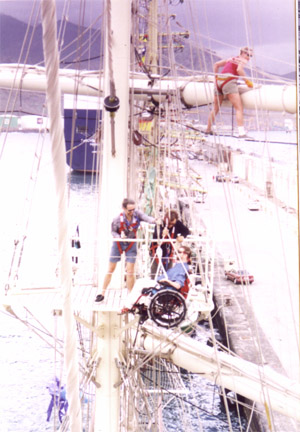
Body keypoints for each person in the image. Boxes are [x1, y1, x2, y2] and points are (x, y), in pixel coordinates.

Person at [95, 198, 156, 302]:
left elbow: (146, 218)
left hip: (131, 244)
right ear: (124, 209)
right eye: (129, 210)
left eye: (133, 209)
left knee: (130, 271)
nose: (132, 212)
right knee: (110, 269)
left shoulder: (137, 215)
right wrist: (119, 236)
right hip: (118, 244)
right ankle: (102, 292)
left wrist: (154, 220)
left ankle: (131, 294)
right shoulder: (117, 219)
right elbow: (113, 232)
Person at [122, 245, 192, 312]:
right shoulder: (179, 265)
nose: (177, 253)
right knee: (140, 282)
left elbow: (178, 285)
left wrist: (166, 281)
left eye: (179, 252)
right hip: (162, 285)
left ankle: (128, 306)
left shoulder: (182, 268)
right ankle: (133, 304)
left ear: (185, 255)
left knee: (140, 283)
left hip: (164, 287)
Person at [205, 46, 254, 138]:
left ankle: (208, 129)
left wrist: (216, 78)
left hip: (219, 81)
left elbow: (216, 65)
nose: (249, 57)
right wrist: (247, 81)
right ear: (242, 53)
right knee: (239, 108)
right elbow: (239, 70)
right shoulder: (242, 60)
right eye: (248, 55)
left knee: (215, 108)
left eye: (251, 56)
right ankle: (241, 133)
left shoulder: (231, 59)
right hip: (229, 81)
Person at [150, 209, 190, 276]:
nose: (170, 226)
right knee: (154, 273)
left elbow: (186, 231)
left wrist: (182, 236)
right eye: (168, 224)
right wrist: (162, 234)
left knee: (169, 273)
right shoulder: (160, 224)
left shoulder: (177, 224)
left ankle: (167, 283)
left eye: (172, 224)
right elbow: (156, 234)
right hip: (157, 251)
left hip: (169, 252)